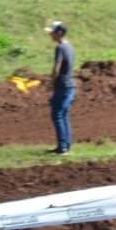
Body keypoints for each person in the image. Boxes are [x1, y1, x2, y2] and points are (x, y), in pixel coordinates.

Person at [44, 21, 76, 155]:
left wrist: (50, 83)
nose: (50, 35)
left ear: (59, 33)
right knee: (64, 115)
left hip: (62, 86)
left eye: (52, 32)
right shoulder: (70, 47)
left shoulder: (60, 48)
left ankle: (63, 147)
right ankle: (66, 145)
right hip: (70, 86)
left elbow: (56, 69)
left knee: (57, 115)